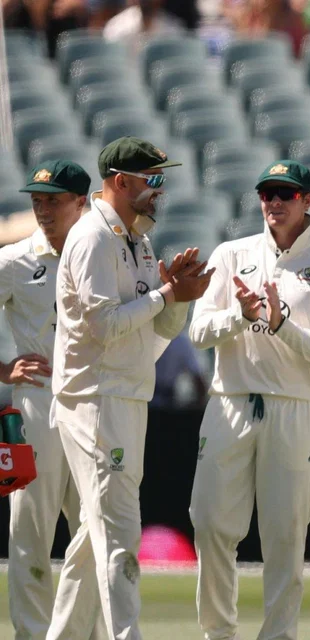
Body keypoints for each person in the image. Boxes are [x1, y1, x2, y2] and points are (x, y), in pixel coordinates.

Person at [188, 160, 310, 640]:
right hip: (230, 401)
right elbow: (199, 331)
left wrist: (285, 328)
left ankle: (278, 635)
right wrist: (240, 318)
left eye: (286, 194)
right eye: (267, 194)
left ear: (307, 201)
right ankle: (218, 633)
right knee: (209, 524)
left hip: (297, 407)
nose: (275, 203)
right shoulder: (230, 253)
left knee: (285, 538)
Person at [48, 137, 212, 640]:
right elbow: (103, 326)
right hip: (94, 401)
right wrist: (165, 294)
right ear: (122, 182)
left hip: (125, 397)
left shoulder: (137, 242)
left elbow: (152, 339)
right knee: (119, 534)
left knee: (92, 538)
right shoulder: (92, 238)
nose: (159, 192)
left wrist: (179, 300)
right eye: (152, 181)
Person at [1, 160, 102, 640]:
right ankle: (31, 634)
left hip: (92, 403)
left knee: (94, 528)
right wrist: (3, 371)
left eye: (53, 200)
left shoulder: (103, 257)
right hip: (36, 404)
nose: (42, 209)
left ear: (81, 202)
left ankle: (85, 632)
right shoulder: (15, 261)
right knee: (30, 531)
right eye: (37, 200)